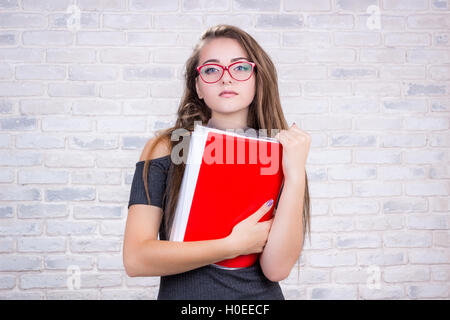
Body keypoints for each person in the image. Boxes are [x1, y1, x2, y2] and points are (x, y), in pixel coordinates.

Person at [123, 24, 311, 300]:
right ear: (198, 86)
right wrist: (231, 245)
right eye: (211, 70)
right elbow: (136, 259)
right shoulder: (165, 148)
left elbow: (276, 269)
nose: (226, 79)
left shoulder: (284, 153)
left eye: (240, 68)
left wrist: (295, 176)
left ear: (257, 79)